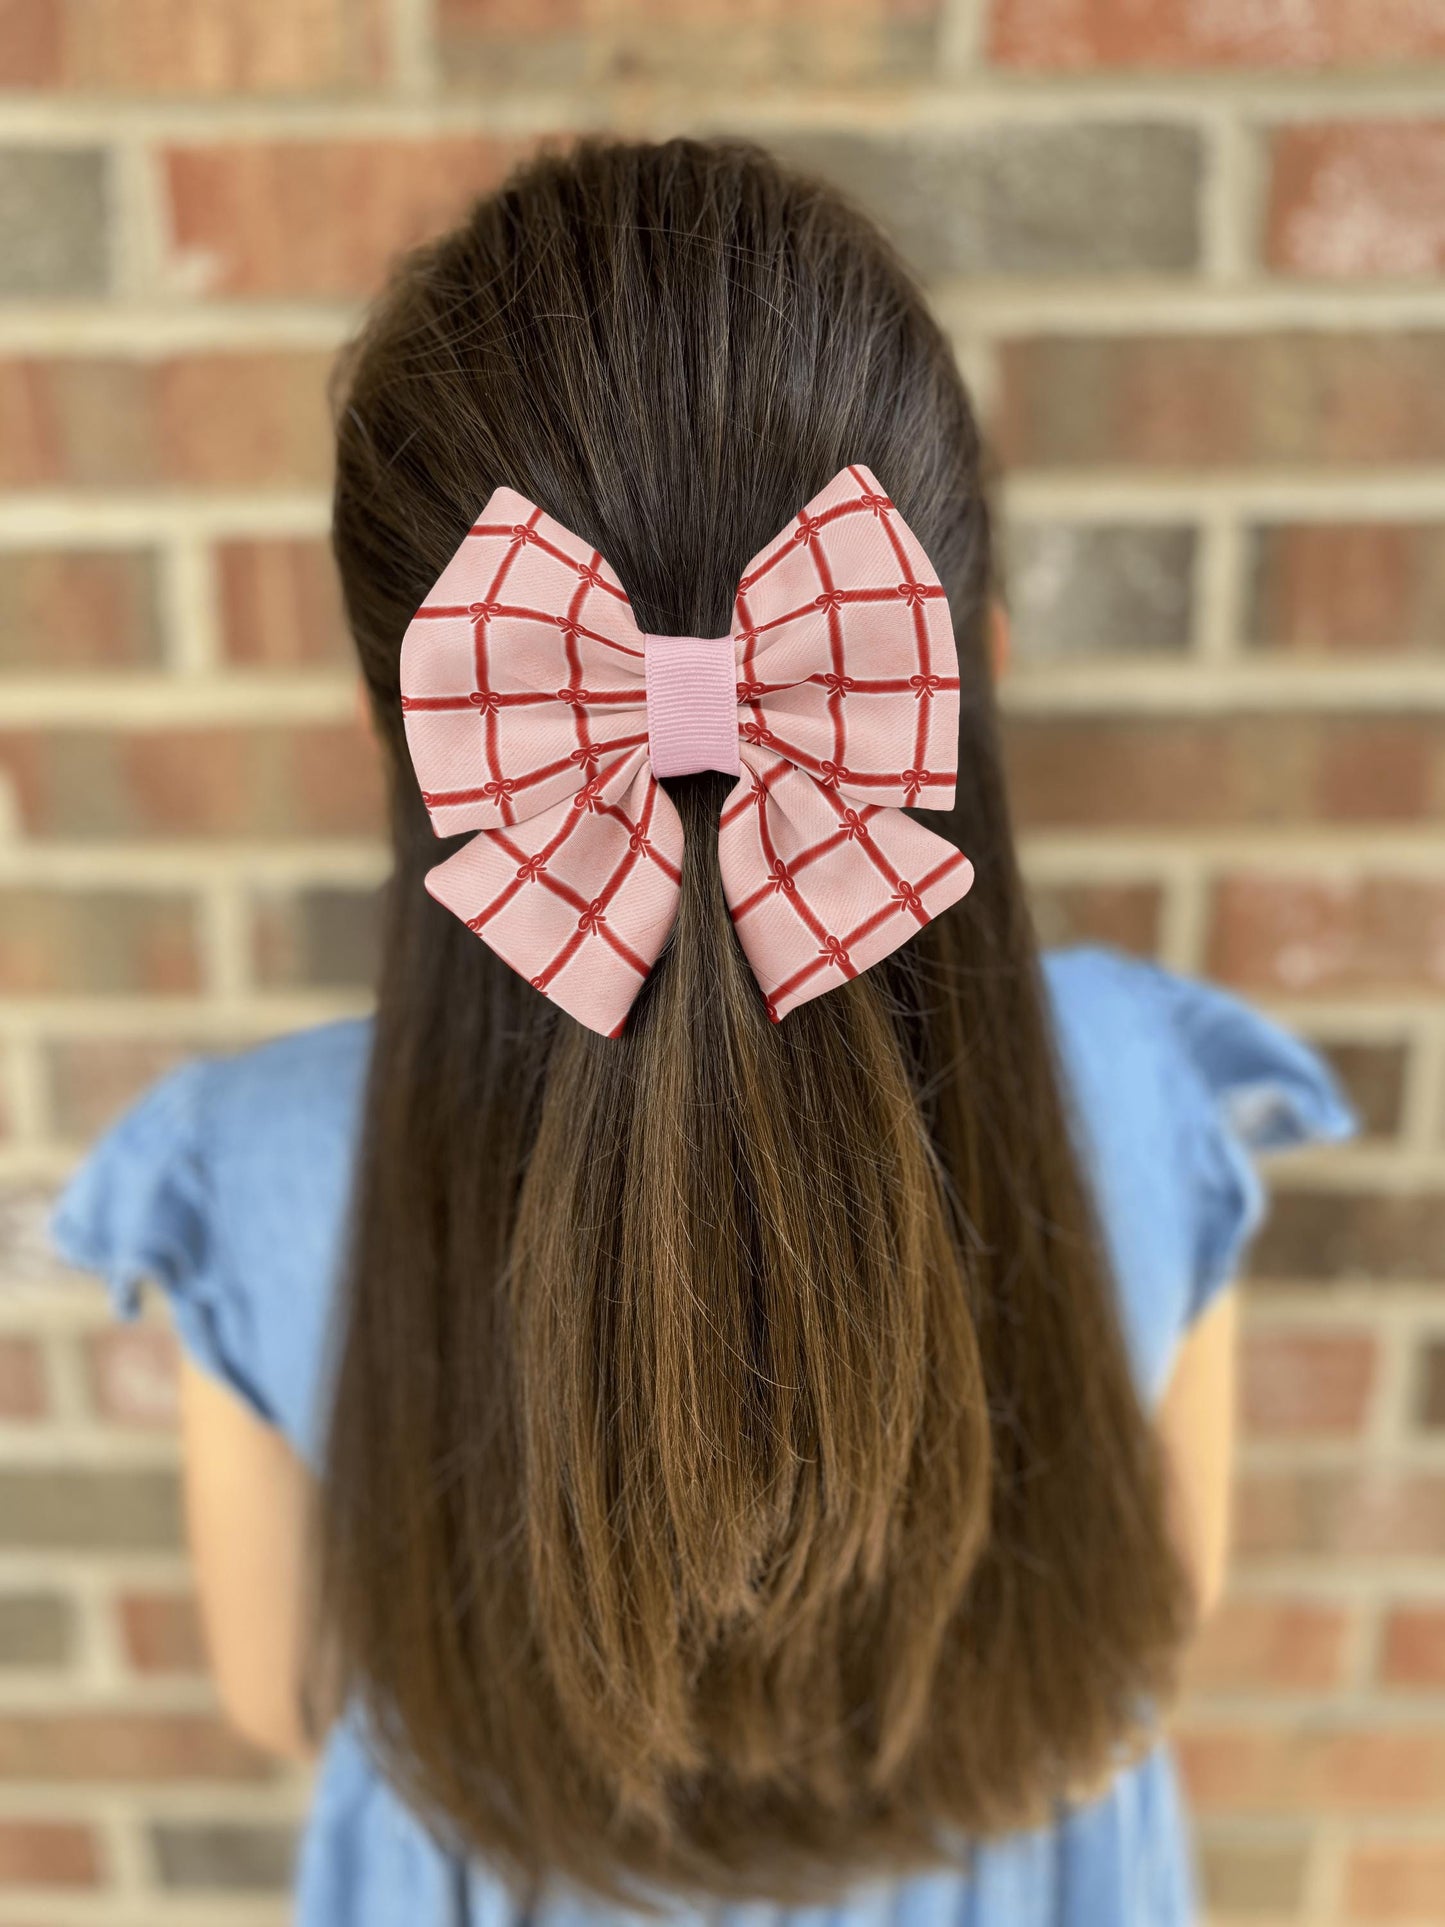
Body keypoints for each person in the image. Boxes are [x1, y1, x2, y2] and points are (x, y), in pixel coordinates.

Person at [52, 138, 1353, 1927]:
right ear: (955, 657)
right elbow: (1157, 1613)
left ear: (414, 734)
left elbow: (283, 1693)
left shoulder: (250, 1167)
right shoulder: (1137, 1085)